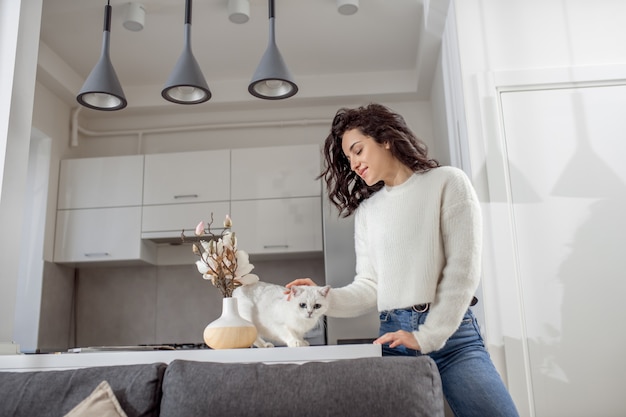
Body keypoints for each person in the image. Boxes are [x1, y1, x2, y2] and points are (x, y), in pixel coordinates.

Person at [286, 103, 519, 417]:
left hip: (453, 339)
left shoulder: (448, 182)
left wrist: (426, 336)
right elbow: (369, 287)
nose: (353, 164)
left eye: (357, 150)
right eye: (348, 158)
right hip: (395, 338)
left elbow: (461, 271)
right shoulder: (368, 212)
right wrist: (321, 297)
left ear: (384, 139)